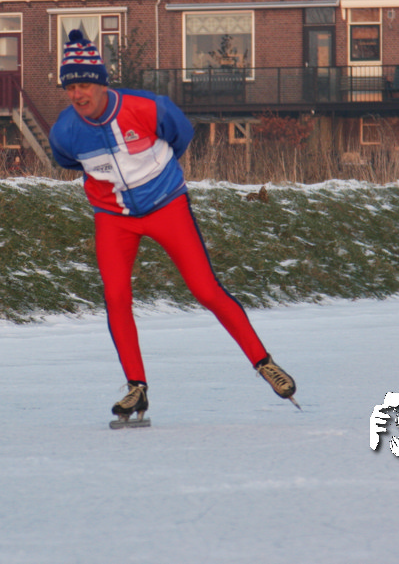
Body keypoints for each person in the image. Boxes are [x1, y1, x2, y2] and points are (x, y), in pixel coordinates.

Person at [48, 29, 299, 421]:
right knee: (116, 296)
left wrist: (160, 179)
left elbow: (181, 135)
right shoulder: (65, 131)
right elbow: (67, 160)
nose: (78, 95)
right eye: (70, 88)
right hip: (114, 217)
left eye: (84, 85)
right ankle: (136, 388)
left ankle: (264, 362)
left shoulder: (148, 108)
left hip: (166, 205)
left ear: (101, 84)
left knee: (205, 289)